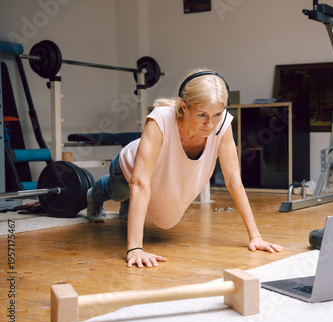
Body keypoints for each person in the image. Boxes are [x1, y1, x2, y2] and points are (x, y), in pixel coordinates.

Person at [86, 69, 286, 268]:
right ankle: (94, 194)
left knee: (156, 214)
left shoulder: (222, 124)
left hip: (155, 178)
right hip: (128, 170)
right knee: (118, 192)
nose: (210, 124)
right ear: (184, 106)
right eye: (202, 115)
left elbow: (233, 180)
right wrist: (135, 248)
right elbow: (139, 182)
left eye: (217, 114)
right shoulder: (160, 119)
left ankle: (128, 204)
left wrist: (256, 236)